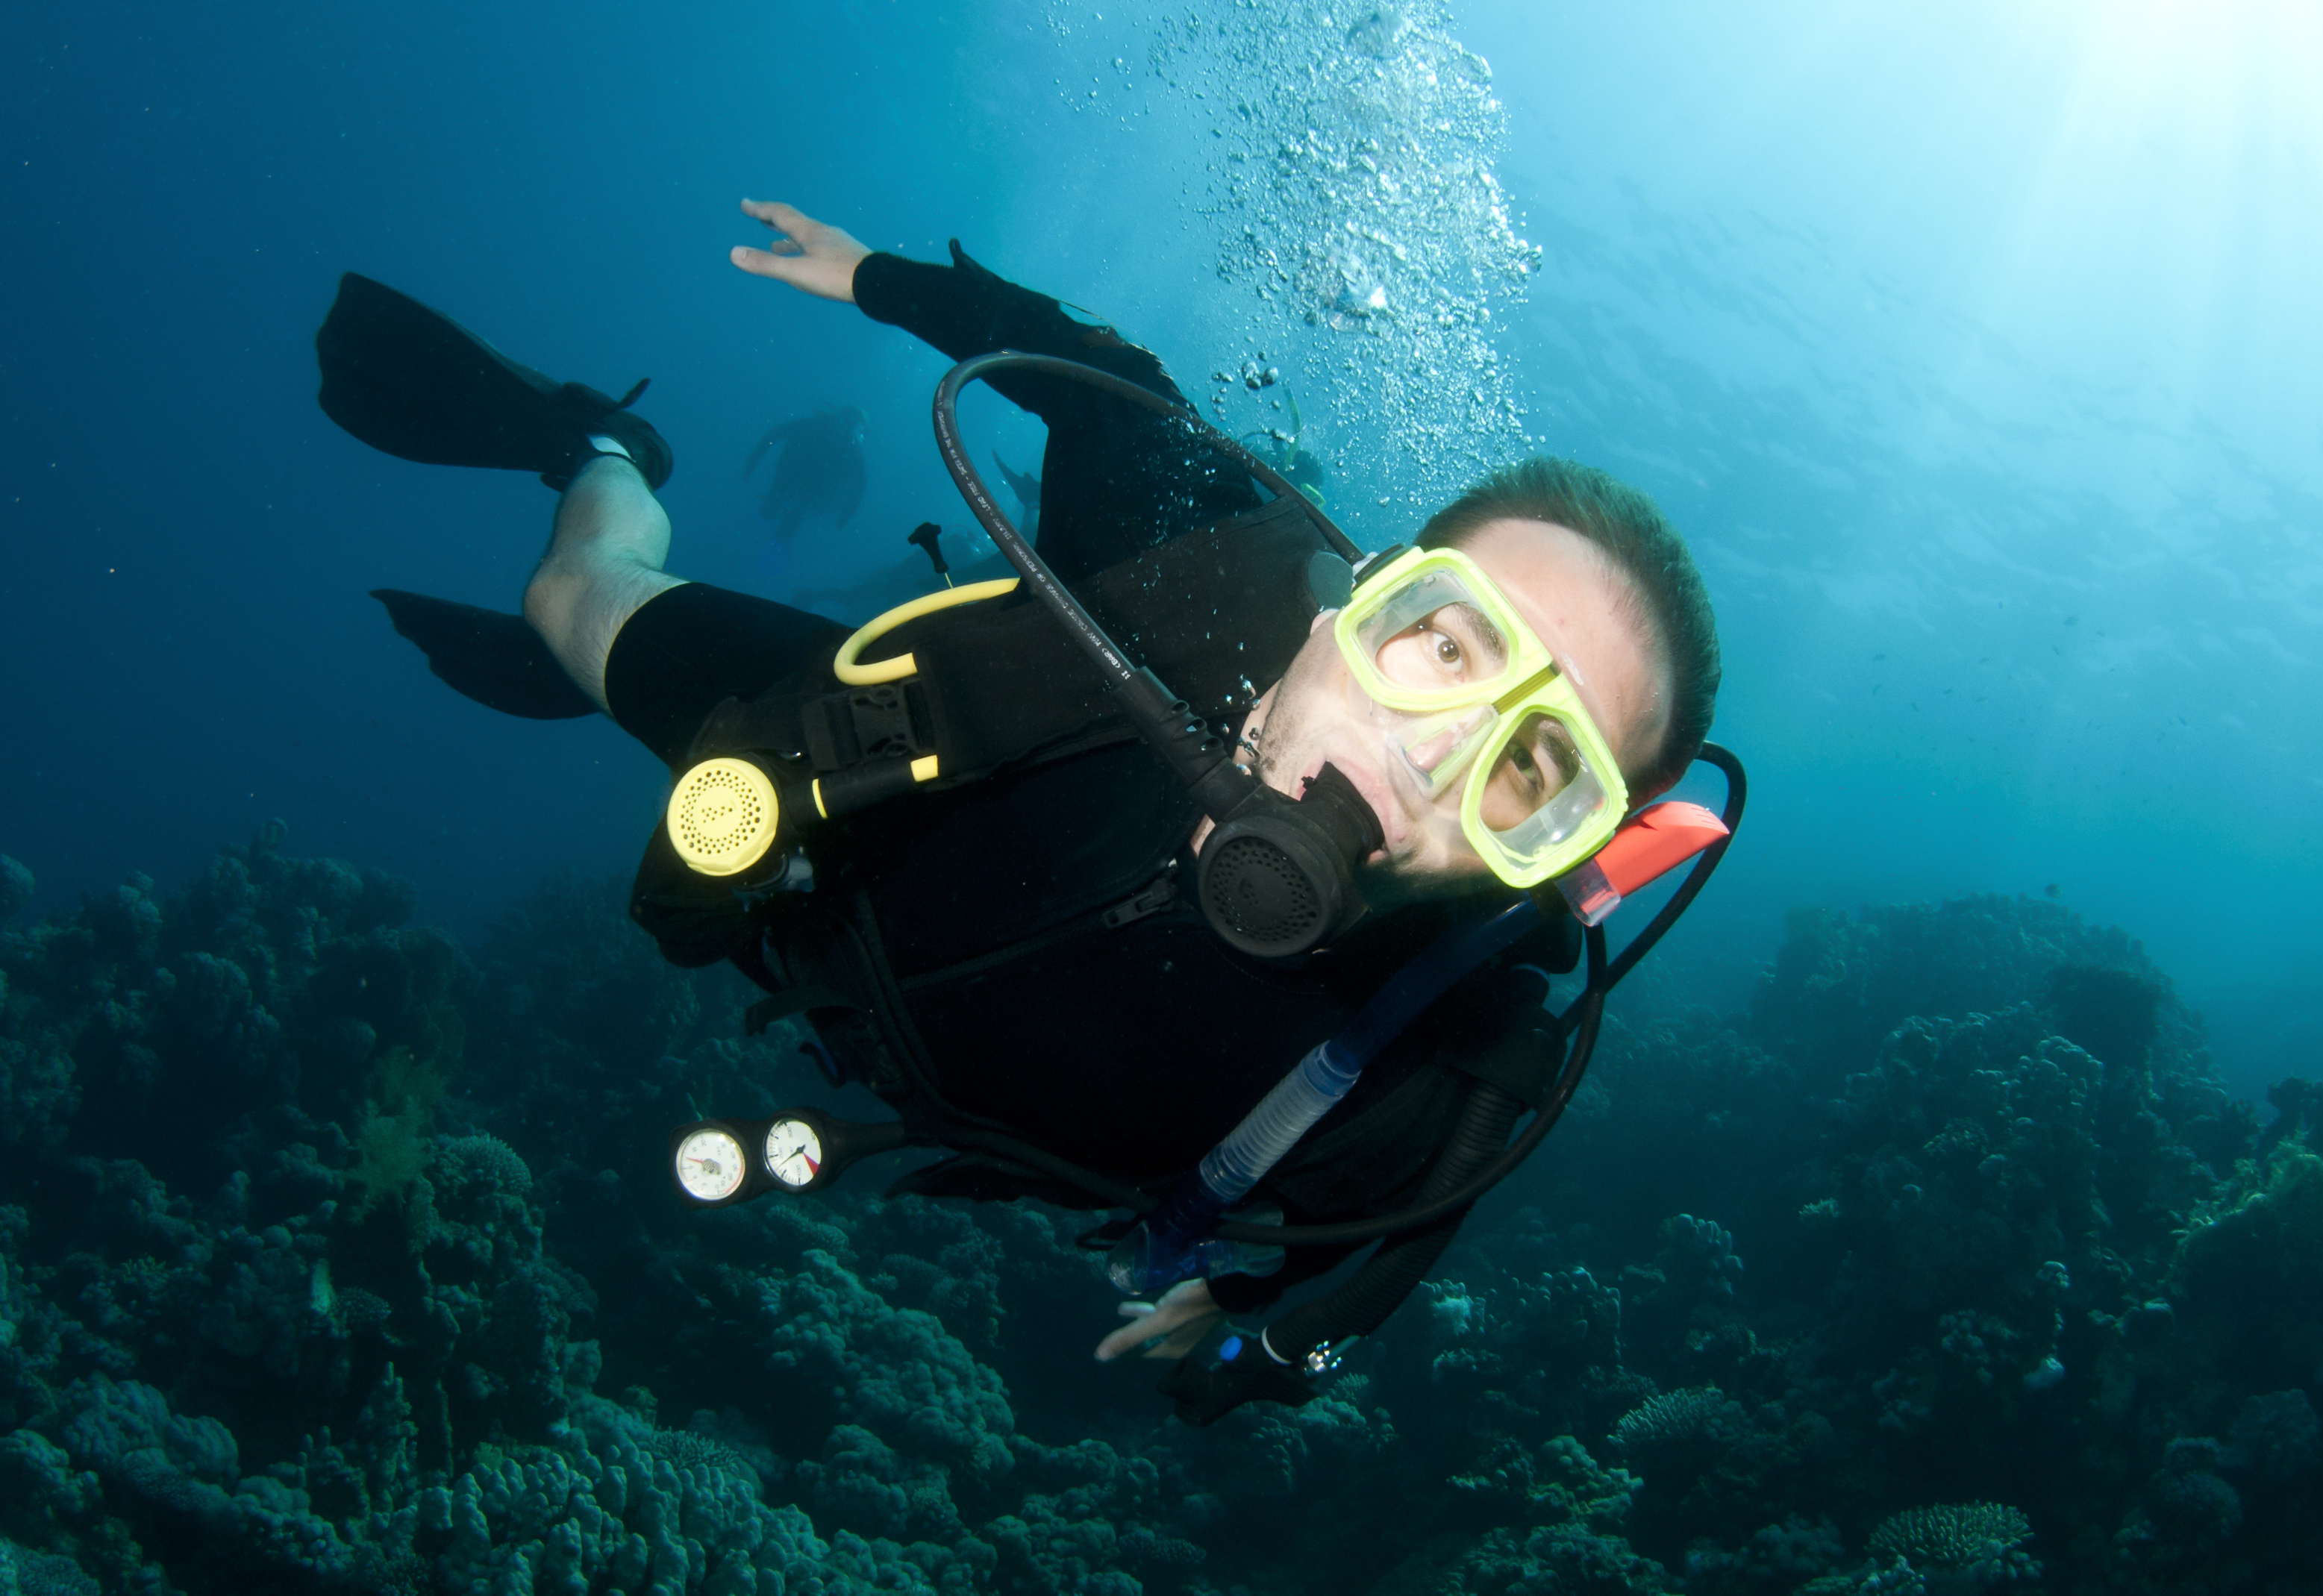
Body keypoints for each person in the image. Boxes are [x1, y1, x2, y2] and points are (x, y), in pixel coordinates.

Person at [316, 198, 1725, 1422]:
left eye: (1536, 766)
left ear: (1556, 845)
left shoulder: (1438, 1079)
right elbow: (1109, 382)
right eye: (1449, 644)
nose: (1436, 755)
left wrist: (1234, 1311)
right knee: (567, 599)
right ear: (1364, 594)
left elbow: (1354, 1273)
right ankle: (603, 450)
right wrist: (879, 277)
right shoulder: (1196, 555)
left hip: (914, 1068)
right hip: (862, 775)